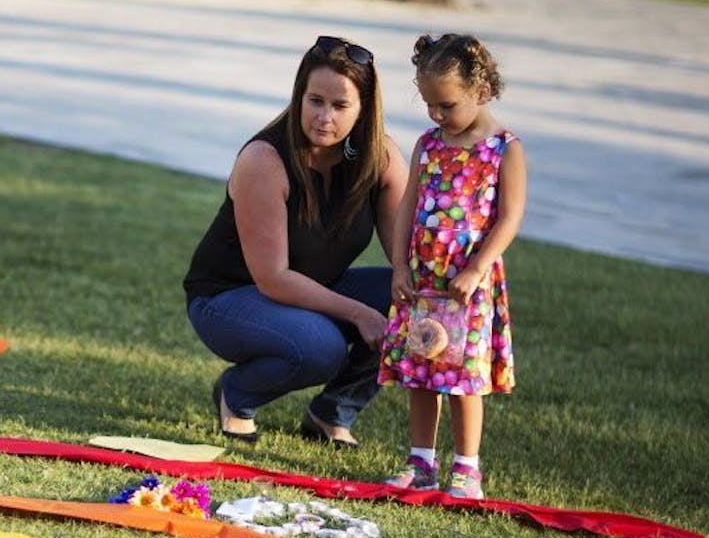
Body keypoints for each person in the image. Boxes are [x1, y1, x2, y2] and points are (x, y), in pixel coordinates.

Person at [184, 36, 409, 448]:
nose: (324, 117)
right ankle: (237, 395)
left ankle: (331, 413)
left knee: (409, 300)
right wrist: (360, 314)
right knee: (320, 348)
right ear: (299, 96)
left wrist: (450, 287)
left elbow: (404, 259)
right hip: (229, 298)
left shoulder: (383, 159)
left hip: (313, 291)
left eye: (340, 106)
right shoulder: (264, 160)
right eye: (315, 100)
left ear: (364, 111)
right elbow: (273, 279)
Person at [377, 33, 527, 498]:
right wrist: (400, 267)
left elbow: (509, 218)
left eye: (446, 105)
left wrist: (476, 268)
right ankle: (421, 462)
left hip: (467, 287)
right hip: (424, 281)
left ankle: (467, 469)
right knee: (422, 370)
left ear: (481, 93)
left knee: (463, 379)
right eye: (429, 105)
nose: (437, 115)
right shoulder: (428, 144)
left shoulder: (504, 149)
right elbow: (407, 208)